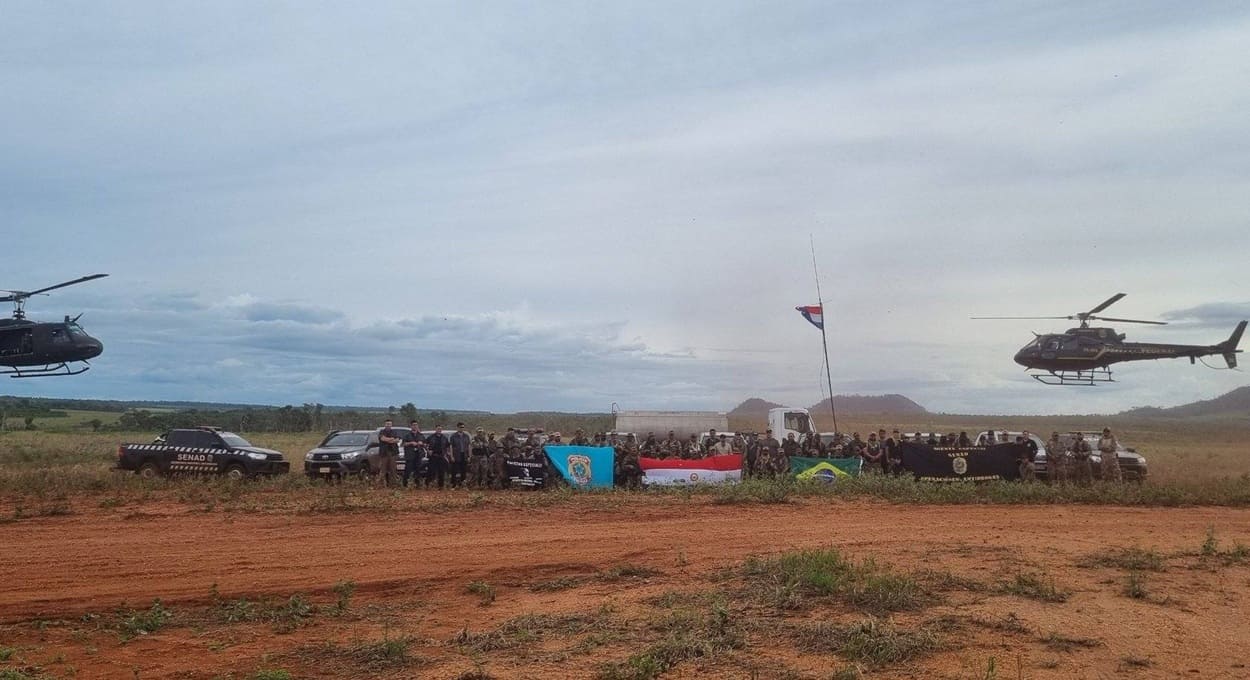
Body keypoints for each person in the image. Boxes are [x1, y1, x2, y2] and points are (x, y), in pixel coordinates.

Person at [376, 419, 401, 486]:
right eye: (387, 424)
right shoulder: (382, 432)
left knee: (393, 470)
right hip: (384, 454)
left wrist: (388, 440)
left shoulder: (394, 432)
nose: (388, 425)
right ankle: (381, 484)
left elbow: (397, 440)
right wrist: (391, 439)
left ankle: (394, 484)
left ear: (391, 425)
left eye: (389, 424)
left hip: (393, 453)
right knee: (382, 470)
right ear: (385, 424)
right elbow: (383, 439)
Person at [401, 420, 426, 488]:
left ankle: (417, 485)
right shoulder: (407, 435)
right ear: (411, 426)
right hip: (410, 455)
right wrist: (411, 443)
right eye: (413, 425)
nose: (415, 426)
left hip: (418, 455)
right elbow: (403, 444)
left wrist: (422, 443)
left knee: (418, 470)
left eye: (416, 425)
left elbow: (425, 444)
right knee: (408, 470)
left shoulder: (420, 435)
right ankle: (405, 485)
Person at [449, 422, 472, 488]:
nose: (462, 428)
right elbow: (451, 447)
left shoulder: (466, 436)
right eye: (460, 427)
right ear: (458, 428)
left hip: (464, 455)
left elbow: (469, 446)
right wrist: (452, 456)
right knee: (454, 471)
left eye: (463, 427)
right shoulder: (453, 436)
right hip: (456, 455)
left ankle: (463, 485)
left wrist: (469, 456)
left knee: (463, 471)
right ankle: (453, 485)